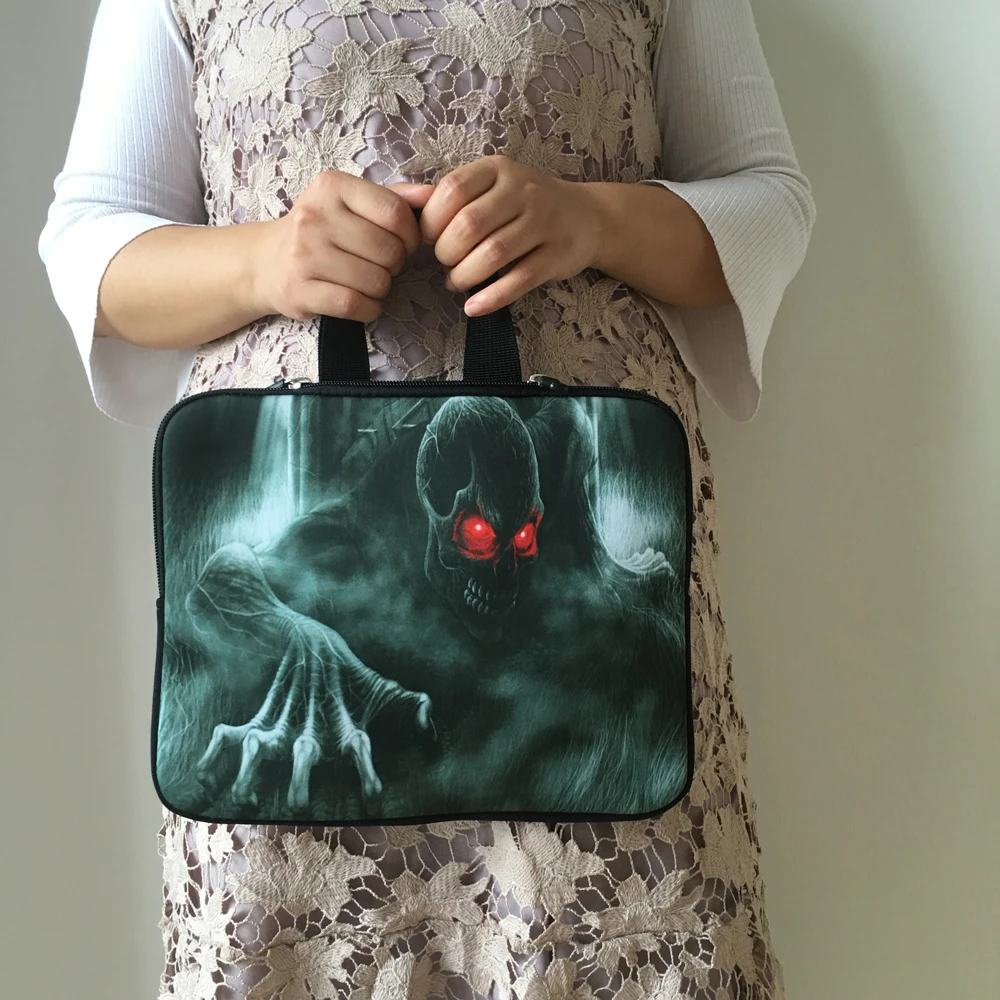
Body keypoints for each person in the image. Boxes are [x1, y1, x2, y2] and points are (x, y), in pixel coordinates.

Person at [39, 0, 815, 996]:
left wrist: (593, 218)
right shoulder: (311, 555)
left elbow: (767, 205)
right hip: (306, 663)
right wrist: (265, 259)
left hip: (586, 625)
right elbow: (89, 244)